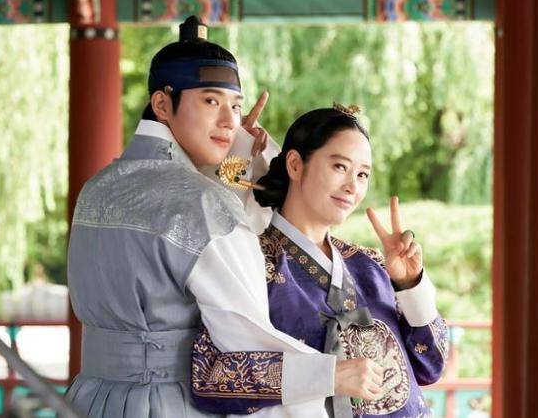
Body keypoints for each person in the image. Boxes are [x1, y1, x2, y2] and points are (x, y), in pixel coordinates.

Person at [66, 17, 367, 417]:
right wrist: (331, 374)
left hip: (89, 399)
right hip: (171, 403)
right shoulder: (205, 204)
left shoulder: (97, 188)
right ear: (162, 104)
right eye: (211, 102)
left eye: (236, 106)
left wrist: (235, 159)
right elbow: (248, 345)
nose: (229, 121)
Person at [191, 106, 449, 417]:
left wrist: (410, 284)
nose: (353, 186)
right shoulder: (251, 262)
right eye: (340, 166)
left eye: (363, 174)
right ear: (295, 165)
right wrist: (329, 375)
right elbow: (211, 376)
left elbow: (431, 366)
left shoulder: (371, 264)